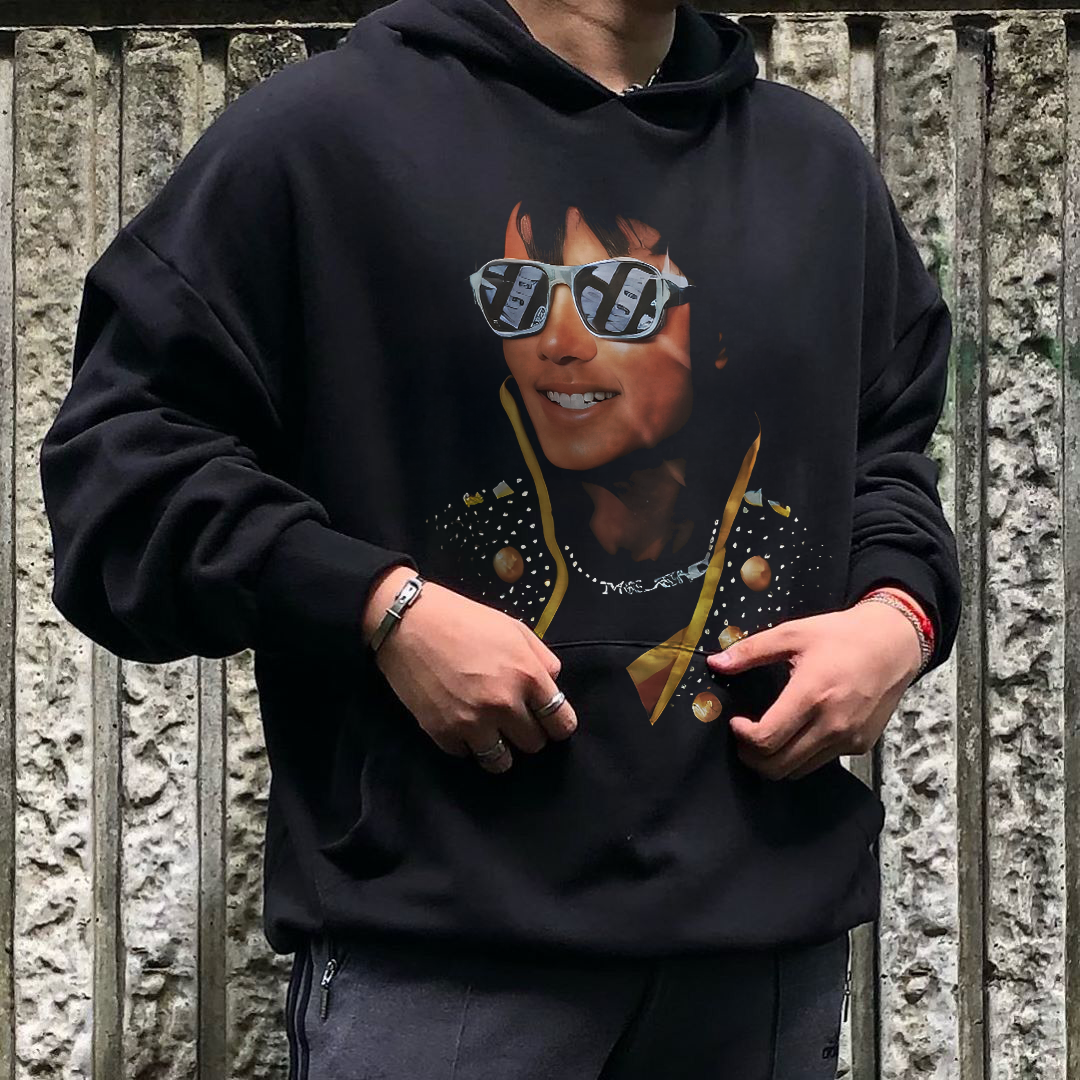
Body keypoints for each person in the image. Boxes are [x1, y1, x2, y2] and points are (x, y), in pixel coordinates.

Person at [38, 0, 962, 1073]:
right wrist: (379, 606)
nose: (562, 344)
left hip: (762, 963)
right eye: (521, 296)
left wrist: (898, 615)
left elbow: (885, 449)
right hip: (442, 961)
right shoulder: (325, 138)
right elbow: (122, 468)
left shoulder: (816, 167)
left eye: (622, 299)